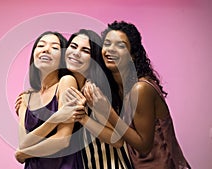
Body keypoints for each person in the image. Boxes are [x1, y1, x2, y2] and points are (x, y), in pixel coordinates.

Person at [67, 21, 191, 169]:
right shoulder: (118, 88)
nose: (111, 50)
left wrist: (107, 111)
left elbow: (143, 146)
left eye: (121, 45)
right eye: (107, 43)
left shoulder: (141, 88)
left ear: (132, 55)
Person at [62, 29, 133, 169]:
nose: (76, 53)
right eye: (73, 46)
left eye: (85, 51)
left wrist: (83, 118)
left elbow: (117, 140)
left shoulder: (93, 91)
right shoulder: (70, 86)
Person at [14, 31, 84, 169]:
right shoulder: (25, 98)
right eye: (41, 45)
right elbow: (23, 143)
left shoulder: (66, 82)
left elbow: (62, 140)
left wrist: (23, 154)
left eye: (55, 47)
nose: (46, 49)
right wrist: (57, 118)